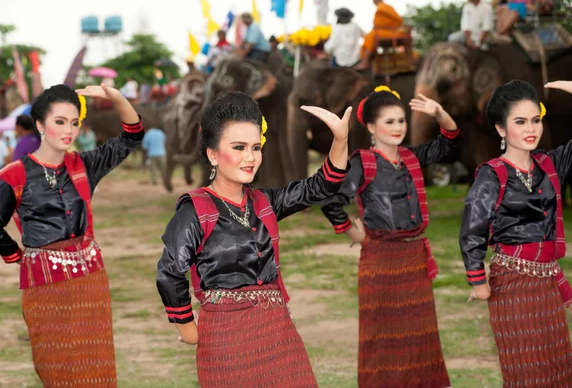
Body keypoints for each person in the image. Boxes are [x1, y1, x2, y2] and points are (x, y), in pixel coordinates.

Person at [156, 92, 351, 386]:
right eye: (239, 147)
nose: (250, 157)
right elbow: (169, 272)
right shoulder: (195, 209)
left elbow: (320, 186)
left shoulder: (264, 202)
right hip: (225, 340)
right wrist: (188, 330)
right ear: (212, 154)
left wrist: (340, 139)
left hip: (278, 332)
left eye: (256, 147)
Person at [0, 83, 144, 386]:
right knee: (55, 366)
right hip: (44, 284)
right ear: (41, 125)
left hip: (90, 281)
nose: (68, 130)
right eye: (60, 122)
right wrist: (19, 257)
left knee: (95, 364)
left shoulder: (85, 165)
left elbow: (132, 137)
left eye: (74, 122)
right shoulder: (15, 174)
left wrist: (117, 98)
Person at [321, 86, 459, 387]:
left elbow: (448, 142)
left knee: (420, 337)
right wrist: (351, 231)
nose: (398, 128)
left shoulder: (411, 156)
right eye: (389, 122)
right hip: (380, 262)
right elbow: (330, 199)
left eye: (401, 121)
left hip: (413, 260)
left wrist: (439, 114)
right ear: (371, 127)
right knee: (381, 339)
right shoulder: (363, 162)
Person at [460, 79, 572, 386]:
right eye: (520, 121)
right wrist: (477, 280)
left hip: (548, 284)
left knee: (559, 369)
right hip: (512, 285)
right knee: (526, 372)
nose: (530, 128)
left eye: (535, 120)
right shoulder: (491, 174)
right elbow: (472, 230)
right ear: (500, 129)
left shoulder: (550, 165)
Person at [355, 0, 405, 71]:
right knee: (370, 35)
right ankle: (370, 59)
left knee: (371, 35)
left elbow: (378, 25)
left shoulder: (382, 8)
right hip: (390, 32)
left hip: (393, 33)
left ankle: (365, 61)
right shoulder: (385, 7)